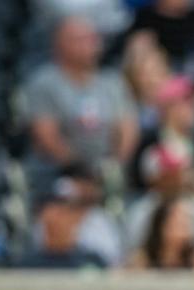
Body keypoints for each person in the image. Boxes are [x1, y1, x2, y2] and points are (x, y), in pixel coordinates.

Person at [22, 16, 139, 190]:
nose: (91, 45)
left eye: (93, 39)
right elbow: (46, 136)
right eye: (80, 39)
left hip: (107, 172)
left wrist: (114, 165)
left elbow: (128, 128)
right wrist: (80, 169)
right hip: (59, 174)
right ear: (59, 45)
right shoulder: (45, 82)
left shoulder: (112, 82)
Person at [17, 178, 107, 270]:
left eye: (68, 211)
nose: (57, 217)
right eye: (56, 208)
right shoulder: (27, 264)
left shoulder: (90, 262)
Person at [128, 196, 194, 270]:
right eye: (178, 222)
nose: (185, 225)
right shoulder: (142, 259)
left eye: (187, 220)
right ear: (162, 225)